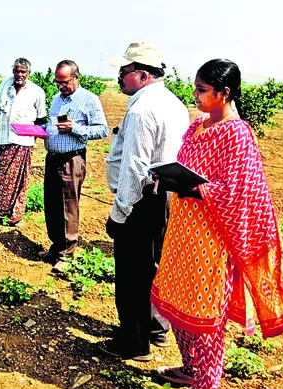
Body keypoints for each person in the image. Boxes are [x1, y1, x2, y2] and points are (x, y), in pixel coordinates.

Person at [150, 59, 283, 389]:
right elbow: (187, 165)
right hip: (182, 230)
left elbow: (240, 191)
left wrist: (197, 189)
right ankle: (190, 369)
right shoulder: (198, 125)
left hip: (212, 236)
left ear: (224, 93)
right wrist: (171, 177)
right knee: (177, 299)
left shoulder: (237, 134)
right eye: (196, 88)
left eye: (201, 90)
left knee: (205, 311)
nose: (195, 96)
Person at [100, 41, 189, 361]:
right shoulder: (174, 104)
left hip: (142, 199)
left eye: (123, 72)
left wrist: (120, 211)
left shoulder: (140, 109)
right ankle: (156, 328)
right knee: (154, 264)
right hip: (167, 196)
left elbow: (136, 167)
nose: (119, 78)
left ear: (141, 75)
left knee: (132, 272)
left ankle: (134, 343)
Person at [39, 60, 109, 271]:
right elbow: (52, 125)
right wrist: (39, 129)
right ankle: (56, 246)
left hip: (72, 159)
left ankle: (67, 254)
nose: (60, 86)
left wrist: (75, 128)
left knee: (68, 206)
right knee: (51, 204)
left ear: (76, 77)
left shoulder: (89, 100)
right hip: (53, 157)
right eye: (57, 82)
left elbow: (102, 130)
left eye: (64, 82)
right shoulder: (56, 100)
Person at [0, 58, 47, 226]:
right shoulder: (4, 86)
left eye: (23, 72)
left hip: (23, 142)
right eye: (17, 71)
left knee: (19, 179)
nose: (19, 75)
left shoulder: (37, 92)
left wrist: (37, 134)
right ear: (13, 71)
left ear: (29, 73)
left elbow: (41, 118)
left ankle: (14, 215)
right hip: (4, 138)